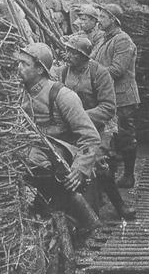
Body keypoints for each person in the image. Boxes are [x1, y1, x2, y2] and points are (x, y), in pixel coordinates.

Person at [15, 42, 102, 239]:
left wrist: (80, 169)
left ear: (39, 69)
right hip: (34, 148)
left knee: (33, 161)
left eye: (24, 64)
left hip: (60, 153)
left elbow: (89, 136)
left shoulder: (62, 95)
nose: (18, 68)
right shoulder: (19, 93)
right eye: (18, 63)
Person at [55, 35, 136, 219]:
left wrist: (79, 117)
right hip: (71, 127)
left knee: (98, 161)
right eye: (67, 50)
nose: (67, 55)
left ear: (84, 56)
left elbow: (108, 108)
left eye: (73, 53)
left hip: (100, 126)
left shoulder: (99, 73)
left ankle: (119, 205)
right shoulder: (61, 72)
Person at [92, 3, 140, 189]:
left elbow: (118, 70)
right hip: (109, 94)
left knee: (125, 136)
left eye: (103, 17)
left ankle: (129, 176)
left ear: (113, 20)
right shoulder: (104, 39)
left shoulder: (122, 40)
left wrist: (93, 74)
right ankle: (111, 176)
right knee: (110, 136)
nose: (99, 20)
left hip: (123, 97)